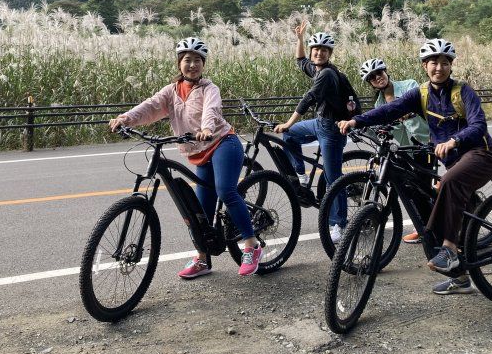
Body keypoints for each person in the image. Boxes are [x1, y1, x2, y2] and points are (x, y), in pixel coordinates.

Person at [339, 39, 492, 296]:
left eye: (444, 63)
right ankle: (460, 279)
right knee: (434, 200)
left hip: (481, 154)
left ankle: (448, 249)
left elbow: (478, 125)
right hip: (455, 162)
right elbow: (390, 110)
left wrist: (454, 140)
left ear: (451, 66)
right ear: (425, 66)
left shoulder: (463, 91)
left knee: (447, 183)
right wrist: (356, 120)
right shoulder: (421, 94)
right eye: (433, 63)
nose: (439, 68)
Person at [109, 37, 262, 279]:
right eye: (187, 60)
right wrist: (125, 119)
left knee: (225, 191)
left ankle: (252, 245)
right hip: (198, 152)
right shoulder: (170, 92)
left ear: (203, 64)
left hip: (222, 142)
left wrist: (207, 128)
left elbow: (211, 109)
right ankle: (203, 260)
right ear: (179, 63)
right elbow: (149, 107)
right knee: (199, 211)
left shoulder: (209, 89)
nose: (192, 65)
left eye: (197, 61)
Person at [274, 22, 348, 244]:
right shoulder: (315, 67)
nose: (318, 52)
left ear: (329, 54)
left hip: (332, 129)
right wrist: (300, 39)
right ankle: (301, 173)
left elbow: (308, 99)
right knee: (290, 137)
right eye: (315, 49)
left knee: (333, 177)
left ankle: (339, 224)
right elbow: (300, 61)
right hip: (319, 122)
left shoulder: (327, 73)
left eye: (323, 50)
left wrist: (288, 121)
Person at [359, 58, 429, 244]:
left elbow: (419, 103)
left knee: (424, 186)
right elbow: (379, 121)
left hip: (425, 142)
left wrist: (404, 113)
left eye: (379, 73)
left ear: (385, 71)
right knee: (410, 189)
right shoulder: (379, 105)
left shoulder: (409, 85)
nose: (377, 78)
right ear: (371, 83)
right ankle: (422, 226)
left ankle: (430, 226)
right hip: (403, 149)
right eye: (372, 78)